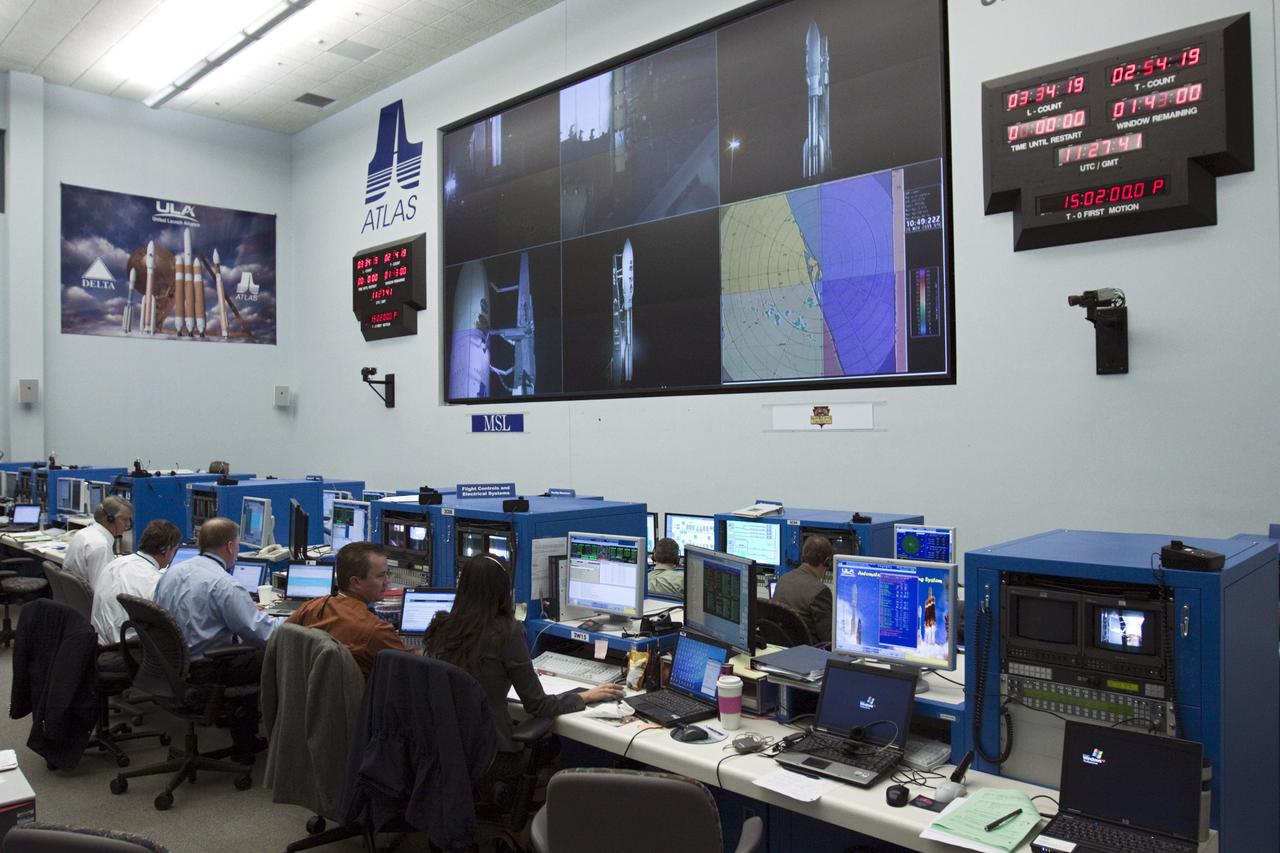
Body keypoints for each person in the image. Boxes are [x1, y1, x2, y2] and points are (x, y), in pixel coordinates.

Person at [425, 553, 623, 757]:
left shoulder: (441, 627)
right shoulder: (506, 633)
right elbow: (538, 705)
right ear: (503, 590)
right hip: (490, 752)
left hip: (443, 751)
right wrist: (585, 696)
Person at [153, 516, 275, 756]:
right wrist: (295, 622)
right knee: (272, 655)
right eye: (238, 544)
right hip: (206, 669)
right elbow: (263, 633)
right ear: (230, 546)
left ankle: (238, 727)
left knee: (245, 651)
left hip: (172, 667)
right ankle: (248, 742)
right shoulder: (225, 584)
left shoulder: (171, 573)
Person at [286, 541, 407, 677]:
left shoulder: (311, 607)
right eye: (381, 575)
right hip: (357, 697)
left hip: (306, 693)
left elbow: (283, 640)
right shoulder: (374, 630)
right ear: (355, 582)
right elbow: (411, 669)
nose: (387, 581)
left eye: (387, 574)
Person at [90, 519, 182, 646]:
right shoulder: (155, 582)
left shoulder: (114, 564)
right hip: (130, 651)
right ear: (166, 550)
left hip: (100, 644)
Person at [772, 534, 833, 644]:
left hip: (782, 652)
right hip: (810, 655)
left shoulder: (783, 579)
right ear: (826, 561)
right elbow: (829, 639)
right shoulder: (821, 591)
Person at [63, 496, 133, 589]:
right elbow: (100, 589)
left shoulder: (83, 533)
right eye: (124, 519)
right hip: (87, 601)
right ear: (110, 519)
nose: (128, 524)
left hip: (73, 597)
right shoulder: (100, 546)